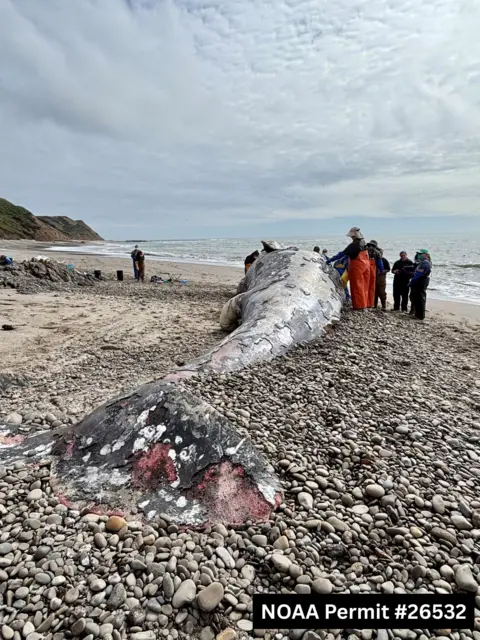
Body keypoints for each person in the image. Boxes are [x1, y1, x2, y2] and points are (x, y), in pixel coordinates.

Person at [326, 227, 370, 310]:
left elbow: (342, 254)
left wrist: (329, 260)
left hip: (357, 267)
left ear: (354, 236)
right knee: (364, 286)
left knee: (357, 286)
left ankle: (359, 306)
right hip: (366, 266)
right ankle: (365, 304)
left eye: (352, 236)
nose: (351, 237)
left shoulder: (353, 245)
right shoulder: (363, 242)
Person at [409, 250, 432, 320]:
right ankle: (418, 314)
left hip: (421, 281)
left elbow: (418, 274)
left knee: (419, 298)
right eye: (418, 254)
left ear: (425, 254)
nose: (419, 255)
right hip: (423, 280)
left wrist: (412, 282)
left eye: (420, 254)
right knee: (418, 297)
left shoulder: (424, 263)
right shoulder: (426, 262)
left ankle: (420, 315)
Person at [366, 240, 383, 308]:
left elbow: (380, 261)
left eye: (372, 246)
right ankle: (369, 303)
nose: (371, 247)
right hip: (369, 270)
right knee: (369, 288)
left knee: (370, 288)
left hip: (370, 271)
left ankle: (370, 303)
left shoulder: (378, 252)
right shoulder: (367, 249)